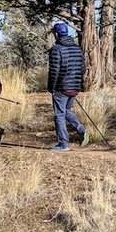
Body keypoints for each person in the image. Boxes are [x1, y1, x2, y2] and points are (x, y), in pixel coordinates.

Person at [47, 23, 86, 151]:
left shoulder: (56, 49)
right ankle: (82, 130)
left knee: (59, 114)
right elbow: (82, 69)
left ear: (56, 34)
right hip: (75, 87)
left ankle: (63, 144)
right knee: (66, 111)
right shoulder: (77, 48)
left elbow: (54, 72)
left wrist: (51, 88)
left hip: (61, 88)